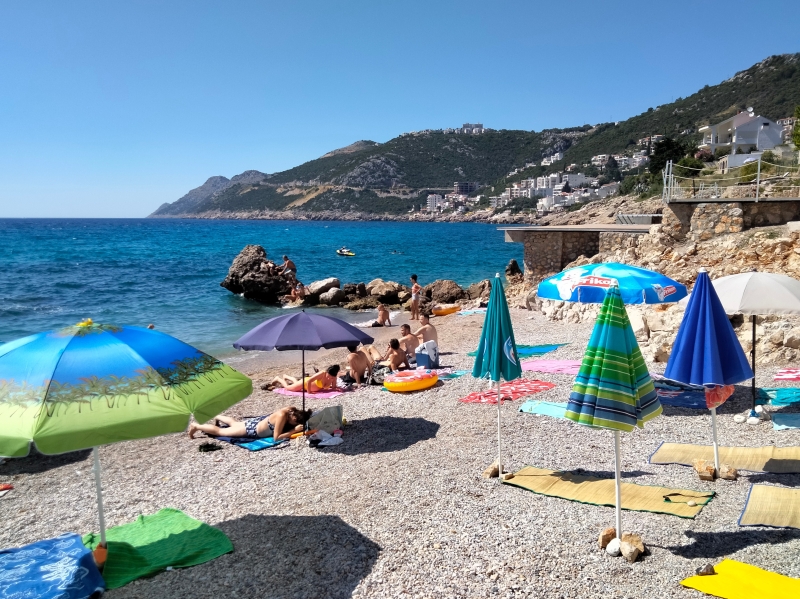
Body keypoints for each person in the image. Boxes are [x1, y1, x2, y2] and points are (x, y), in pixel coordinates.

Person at [188, 406, 312, 440]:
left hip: (256, 423)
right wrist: (293, 431)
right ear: (294, 419)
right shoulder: (281, 416)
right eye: (293, 423)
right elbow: (276, 437)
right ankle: (197, 426)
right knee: (221, 431)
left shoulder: (290, 409)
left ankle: (217, 416)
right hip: (253, 430)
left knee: (235, 424)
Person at [272, 365, 340, 393]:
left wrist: (337, 389)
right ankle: (278, 379)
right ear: (327, 372)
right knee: (288, 388)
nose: (329, 378)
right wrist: (309, 392)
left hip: (307, 386)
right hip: (305, 383)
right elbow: (309, 381)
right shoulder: (322, 373)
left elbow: (333, 387)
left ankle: (286, 376)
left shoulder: (334, 377)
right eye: (328, 376)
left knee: (295, 384)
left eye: (331, 377)